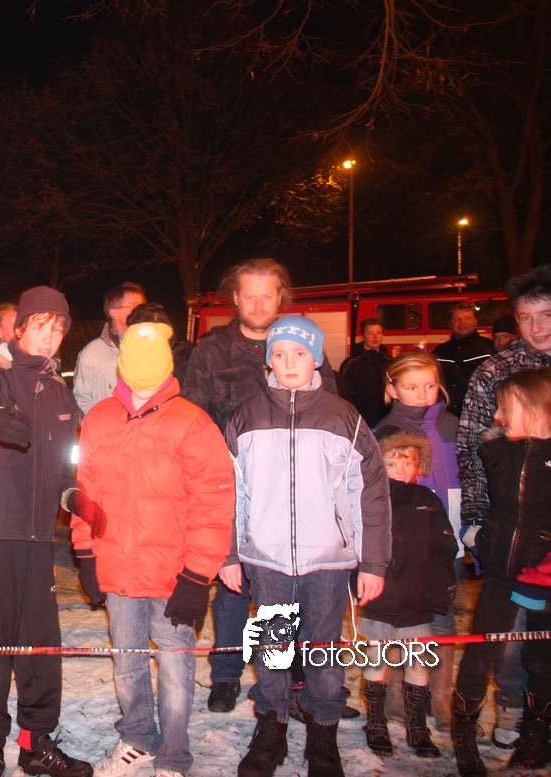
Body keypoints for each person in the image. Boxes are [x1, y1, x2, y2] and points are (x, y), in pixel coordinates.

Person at [221, 315, 389, 777]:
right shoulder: (246, 416)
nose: (289, 362)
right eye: (279, 354)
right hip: (267, 559)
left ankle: (323, 732)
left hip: (328, 560)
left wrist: (373, 562)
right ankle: (271, 726)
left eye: (299, 353)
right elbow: (229, 491)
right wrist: (230, 553)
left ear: (315, 358)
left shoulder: (344, 416)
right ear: (268, 361)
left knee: (323, 649)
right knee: (272, 647)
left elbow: (370, 492)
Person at [71, 322, 234, 777]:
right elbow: (85, 492)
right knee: (127, 659)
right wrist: (85, 553)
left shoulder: (192, 423)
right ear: (122, 367)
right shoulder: (99, 418)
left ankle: (175, 754)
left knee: (175, 663)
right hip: (117, 566)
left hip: (172, 573)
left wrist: (198, 575)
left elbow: (213, 505)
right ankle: (137, 736)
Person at [176, 258, 337, 714]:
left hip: (296, 489)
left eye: (268, 295)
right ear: (236, 299)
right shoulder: (211, 351)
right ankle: (226, 674)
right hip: (233, 485)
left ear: (281, 298)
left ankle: (294, 676)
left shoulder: (301, 342)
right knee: (233, 585)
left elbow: (328, 406)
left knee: (293, 587)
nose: (259, 304)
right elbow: (192, 418)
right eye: (250, 296)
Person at [0, 286, 92, 777]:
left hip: (37, 537)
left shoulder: (59, 392)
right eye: (40, 326)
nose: (49, 336)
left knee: (40, 647)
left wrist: (71, 496)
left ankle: (35, 744)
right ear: (19, 328)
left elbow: (64, 464)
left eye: (58, 329)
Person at [453, 368, 551, 775]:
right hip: (500, 569)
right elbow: (479, 495)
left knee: (541, 656)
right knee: (481, 651)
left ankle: (537, 733)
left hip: (545, 575)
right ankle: (463, 734)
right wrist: (478, 537)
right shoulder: (496, 452)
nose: (496, 417)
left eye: (505, 408)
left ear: (538, 409)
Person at [374, 351, 462, 728]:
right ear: (393, 390)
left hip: (444, 539)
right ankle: (397, 694)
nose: (422, 394)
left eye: (429, 385)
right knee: (399, 618)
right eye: (411, 387)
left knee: (441, 616)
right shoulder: (383, 432)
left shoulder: (453, 427)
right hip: (401, 544)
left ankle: (439, 697)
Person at [359, 430, 456, 759]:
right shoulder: (370, 499)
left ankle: (417, 726)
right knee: (377, 660)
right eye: (392, 463)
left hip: (417, 599)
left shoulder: (427, 500)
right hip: (379, 598)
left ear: (420, 464)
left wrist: (440, 595)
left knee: (417, 663)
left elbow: (443, 550)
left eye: (409, 463)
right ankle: (376, 722)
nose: (401, 471)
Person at [458, 265, 551, 583]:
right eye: (526, 318)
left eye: (545, 315)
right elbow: (471, 446)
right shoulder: (494, 372)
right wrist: (475, 521)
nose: (536, 328)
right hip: (513, 527)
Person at [72, 282, 147, 416]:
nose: (141, 312)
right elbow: (81, 400)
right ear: (113, 312)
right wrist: (100, 425)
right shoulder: (93, 353)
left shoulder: (152, 349)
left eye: (143, 306)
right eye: (134, 306)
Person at [434, 302, 496, 417]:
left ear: (476, 321)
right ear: (450, 323)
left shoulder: (490, 349)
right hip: (447, 415)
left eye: (467, 318)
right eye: (457, 319)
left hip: (479, 415)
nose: (462, 322)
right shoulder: (439, 352)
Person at [338, 318, 391, 428]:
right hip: (362, 422)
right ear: (362, 337)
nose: (375, 337)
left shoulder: (391, 362)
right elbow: (343, 394)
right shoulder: (351, 364)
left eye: (378, 333)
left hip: (387, 421)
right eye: (370, 333)